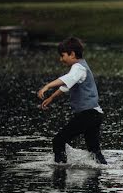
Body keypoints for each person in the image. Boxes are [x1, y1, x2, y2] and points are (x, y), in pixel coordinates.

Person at [38, 37, 108, 165]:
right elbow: (67, 85)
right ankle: (102, 171)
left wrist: (47, 86)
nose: (60, 59)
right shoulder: (81, 67)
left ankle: (60, 170)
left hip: (88, 114)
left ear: (72, 54)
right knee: (94, 150)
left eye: (62, 55)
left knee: (58, 141)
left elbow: (67, 79)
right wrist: (52, 97)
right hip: (95, 114)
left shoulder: (78, 67)